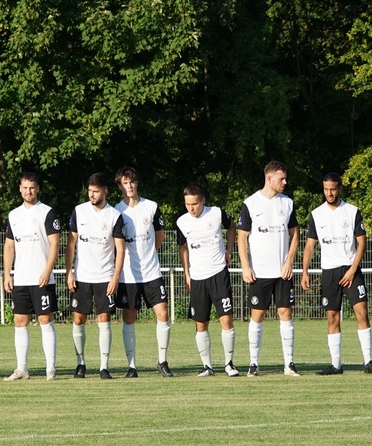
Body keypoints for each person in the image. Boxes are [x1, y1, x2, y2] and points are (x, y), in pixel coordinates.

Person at [300, 173, 372, 375]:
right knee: (332, 317)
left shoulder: (352, 211)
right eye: (326, 189)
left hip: (350, 269)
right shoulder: (316, 214)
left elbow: (361, 243)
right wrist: (304, 272)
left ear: (340, 189)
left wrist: (353, 270)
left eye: (333, 189)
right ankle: (336, 365)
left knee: (361, 312)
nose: (329, 193)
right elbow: (309, 246)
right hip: (329, 271)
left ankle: (368, 361)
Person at [237, 160, 300, 376]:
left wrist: (289, 261)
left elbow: (295, 234)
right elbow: (241, 238)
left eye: (285, 178)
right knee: (257, 315)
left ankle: (289, 364)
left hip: (282, 272)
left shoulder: (287, 203)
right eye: (281, 178)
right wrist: (246, 267)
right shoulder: (250, 203)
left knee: (285, 313)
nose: (285, 182)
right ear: (269, 178)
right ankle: (253, 364)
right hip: (259, 272)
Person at [65, 172, 126, 379]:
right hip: (82, 276)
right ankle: (80, 364)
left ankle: (104, 367)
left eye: (96, 191)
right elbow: (71, 244)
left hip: (104, 277)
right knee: (78, 318)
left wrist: (115, 277)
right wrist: (69, 272)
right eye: (90, 191)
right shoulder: (79, 211)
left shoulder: (114, 216)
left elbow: (120, 249)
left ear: (105, 191)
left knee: (104, 319)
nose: (91, 194)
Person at [176, 184, 239, 377]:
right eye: (187, 204)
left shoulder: (216, 213)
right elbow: (182, 248)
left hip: (219, 274)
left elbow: (232, 227)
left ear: (203, 200)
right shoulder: (182, 222)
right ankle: (207, 366)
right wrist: (187, 274)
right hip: (197, 278)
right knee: (200, 323)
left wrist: (229, 250)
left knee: (226, 319)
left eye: (194, 204)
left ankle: (229, 364)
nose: (191, 208)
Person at [2, 172, 60, 380]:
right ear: (20, 189)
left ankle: (50, 369)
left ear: (38, 189)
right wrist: (8, 274)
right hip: (21, 278)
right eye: (25, 187)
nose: (29, 191)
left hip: (41, 278)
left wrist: (47, 271)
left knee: (45, 319)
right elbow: (9, 246)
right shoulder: (14, 215)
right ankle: (22, 369)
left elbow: (55, 243)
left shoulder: (47, 212)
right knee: (19, 321)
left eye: (32, 187)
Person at [114, 167, 171, 377]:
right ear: (119, 186)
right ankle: (132, 366)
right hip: (128, 275)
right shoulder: (116, 211)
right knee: (129, 317)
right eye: (125, 183)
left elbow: (159, 235)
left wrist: (149, 256)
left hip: (152, 273)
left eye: (132, 182)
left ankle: (162, 361)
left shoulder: (151, 207)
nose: (129, 186)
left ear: (137, 183)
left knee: (163, 314)